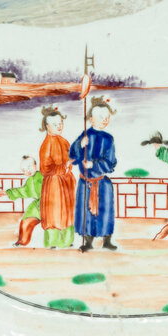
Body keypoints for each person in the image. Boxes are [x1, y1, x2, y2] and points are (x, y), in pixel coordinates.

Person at [69, 96, 117, 252]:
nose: (105, 120)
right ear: (91, 119)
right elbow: (73, 156)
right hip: (85, 182)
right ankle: (88, 242)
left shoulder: (109, 139)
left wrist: (94, 165)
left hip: (102, 183)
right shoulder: (85, 135)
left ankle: (107, 240)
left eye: (107, 117)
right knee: (85, 214)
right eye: (101, 117)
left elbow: (111, 163)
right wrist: (79, 145)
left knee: (105, 212)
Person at [38, 106, 76, 249]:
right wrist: (65, 166)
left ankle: (67, 242)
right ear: (47, 126)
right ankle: (52, 243)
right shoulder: (47, 144)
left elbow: (71, 157)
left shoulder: (64, 141)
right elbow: (45, 169)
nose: (59, 126)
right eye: (55, 124)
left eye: (60, 123)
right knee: (54, 213)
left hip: (66, 182)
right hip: (54, 184)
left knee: (68, 212)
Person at [2, 156, 42, 247]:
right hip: (38, 205)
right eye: (24, 170)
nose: (27, 171)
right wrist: (7, 192)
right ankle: (21, 241)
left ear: (35, 165)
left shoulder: (44, 175)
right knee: (25, 221)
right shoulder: (30, 180)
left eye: (29, 167)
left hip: (51, 203)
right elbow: (24, 191)